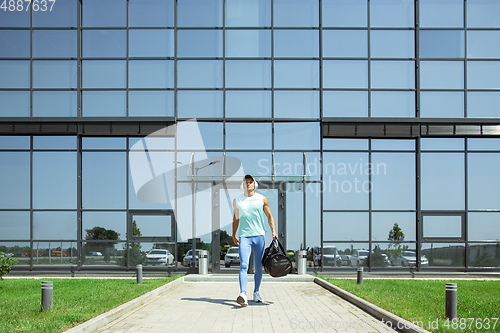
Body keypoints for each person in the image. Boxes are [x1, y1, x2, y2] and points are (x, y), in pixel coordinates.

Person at [232, 174, 278, 306]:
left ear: (254, 184)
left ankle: (256, 292)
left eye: (250, 182)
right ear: (243, 185)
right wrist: (233, 234)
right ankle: (243, 294)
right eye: (246, 182)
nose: (248, 184)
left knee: (258, 266)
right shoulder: (237, 201)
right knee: (244, 265)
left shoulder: (262, 199)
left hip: (259, 236)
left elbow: (269, 215)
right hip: (244, 237)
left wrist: (273, 230)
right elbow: (236, 219)